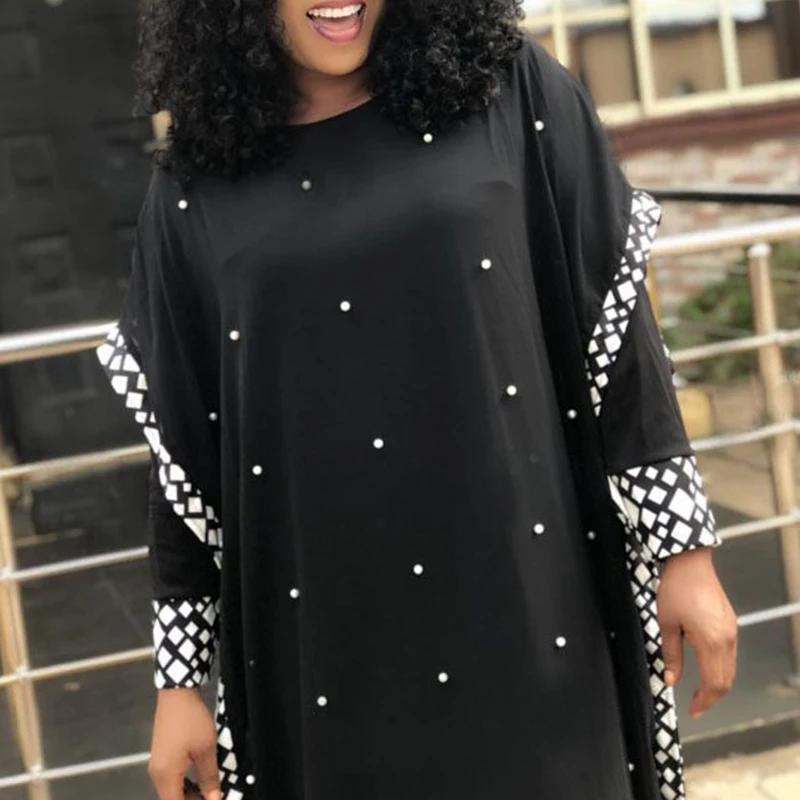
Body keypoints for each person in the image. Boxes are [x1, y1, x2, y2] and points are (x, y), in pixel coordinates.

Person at [96, 2, 738, 800]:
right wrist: (179, 681)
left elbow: (617, 333)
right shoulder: (194, 185)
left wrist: (685, 551)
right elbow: (184, 459)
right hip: (327, 647)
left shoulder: (512, 93)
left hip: (531, 606)